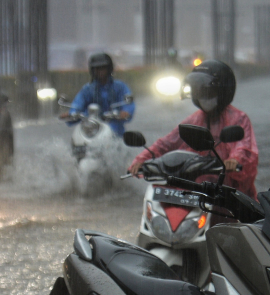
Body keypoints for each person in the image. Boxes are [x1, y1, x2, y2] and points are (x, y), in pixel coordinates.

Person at [127, 60, 259, 200]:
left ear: (223, 91)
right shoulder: (194, 120)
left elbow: (242, 147)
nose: (202, 96)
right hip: (196, 190)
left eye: (207, 92)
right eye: (199, 91)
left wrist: (234, 160)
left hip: (230, 192)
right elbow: (167, 142)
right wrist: (142, 159)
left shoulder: (238, 119)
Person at [61, 52, 134, 136]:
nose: (100, 71)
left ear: (109, 69)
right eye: (97, 68)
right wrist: (71, 113)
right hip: (91, 128)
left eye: (103, 68)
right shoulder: (87, 89)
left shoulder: (120, 87)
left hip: (114, 131)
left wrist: (125, 112)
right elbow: (78, 103)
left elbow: (128, 103)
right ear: (92, 70)